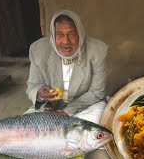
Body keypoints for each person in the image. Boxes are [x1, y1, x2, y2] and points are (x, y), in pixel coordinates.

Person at [25, 10, 110, 158]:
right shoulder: (39, 50)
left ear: (80, 34)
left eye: (71, 34)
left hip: (86, 107)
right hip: (51, 108)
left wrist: (68, 112)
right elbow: (32, 86)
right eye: (59, 35)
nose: (66, 41)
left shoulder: (97, 51)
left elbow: (97, 92)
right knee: (26, 129)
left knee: (98, 127)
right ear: (53, 35)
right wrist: (40, 93)